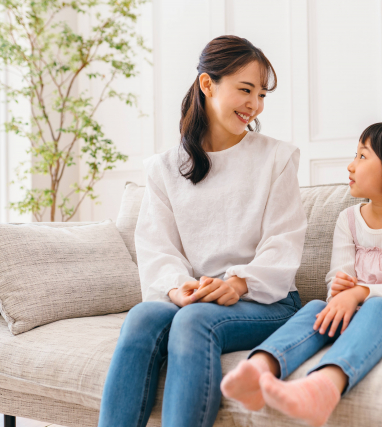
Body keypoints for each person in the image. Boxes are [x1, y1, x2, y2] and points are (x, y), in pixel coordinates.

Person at [98, 35, 307, 427]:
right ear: (207, 85)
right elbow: (157, 247)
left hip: (267, 301)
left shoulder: (277, 158)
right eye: (245, 90)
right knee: (143, 316)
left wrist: (238, 283)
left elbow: (283, 242)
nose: (255, 105)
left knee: (194, 321)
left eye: (261, 94)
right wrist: (178, 288)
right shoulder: (164, 168)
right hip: (196, 297)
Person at [221, 122, 382, 427]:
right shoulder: (348, 219)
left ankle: (324, 387)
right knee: (317, 307)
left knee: (378, 306)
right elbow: (336, 283)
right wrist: (340, 290)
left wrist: (358, 292)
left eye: (362, 156)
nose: (350, 165)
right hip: (361, 305)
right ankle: (258, 370)